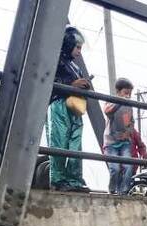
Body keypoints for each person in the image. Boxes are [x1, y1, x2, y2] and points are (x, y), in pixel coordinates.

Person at [48, 26, 91, 192]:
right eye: (77, 47)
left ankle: (74, 180)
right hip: (59, 104)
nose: (79, 51)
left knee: (75, 143)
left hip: (75, 106)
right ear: (68, 44)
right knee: (59, 141)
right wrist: (72, 84)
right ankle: (58, 180)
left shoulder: (76, 67)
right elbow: (48, 83)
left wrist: (83, 86)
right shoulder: (55, 61)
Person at [104, 78, 136, 196]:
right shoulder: (110, 101)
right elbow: (108, 111)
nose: (128, 96)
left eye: (130, 93)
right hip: (110, 142)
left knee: (129, 166)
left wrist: (128, 132)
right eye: (126, 93)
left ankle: (124, 192)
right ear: (118, 91)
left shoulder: (129, 106)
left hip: (124, 142)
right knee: (115, 169)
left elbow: (131, 122)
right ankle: (112, 190)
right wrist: (120, 101)